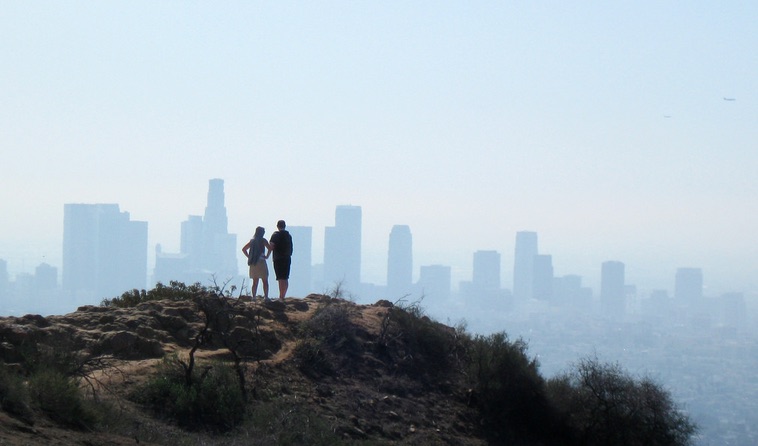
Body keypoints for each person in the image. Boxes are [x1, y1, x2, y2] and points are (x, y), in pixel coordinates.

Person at [241, 226, 271, 300]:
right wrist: (267, 256)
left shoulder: (252, 240)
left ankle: (254, 297)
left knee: (255, 281)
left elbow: (244, 249)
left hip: (253, 262)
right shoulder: (263, 240)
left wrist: (249, 256)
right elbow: (269, 248)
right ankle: (266, 296)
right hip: (261, 261)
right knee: (265, 280)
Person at [269, 219, 293, 301]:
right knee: (285, 278)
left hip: (278, 258)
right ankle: (283, 296)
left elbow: (271, 246)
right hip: (287, 258)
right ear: (285, 226)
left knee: (280, 278)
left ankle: (280, 297)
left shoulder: (275, 235)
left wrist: (267, 254)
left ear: (277, 226)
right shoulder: (288, 235)